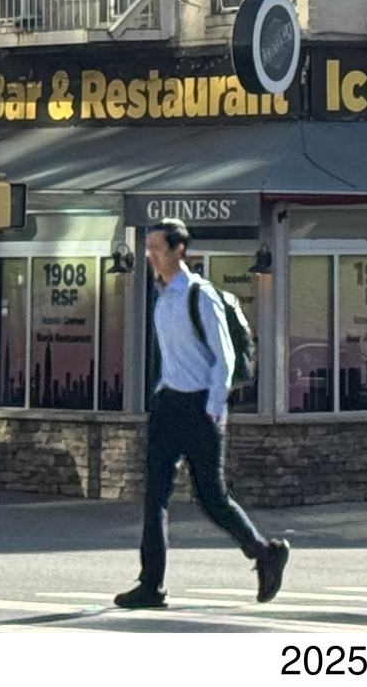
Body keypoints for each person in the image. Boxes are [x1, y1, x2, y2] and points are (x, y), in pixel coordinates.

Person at [114, 219, 290, 611]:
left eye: (157, 247)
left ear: (179, 250)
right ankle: (151, 585)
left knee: (212, 498)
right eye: (148, 248)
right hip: (168, 405)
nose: (150, 255)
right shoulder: (162, 296)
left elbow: (224, 359)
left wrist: (212, 410)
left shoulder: (200, 295)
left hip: (200, 409)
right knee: (154, 498)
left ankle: (265, 552)